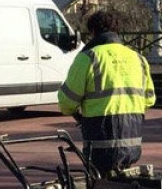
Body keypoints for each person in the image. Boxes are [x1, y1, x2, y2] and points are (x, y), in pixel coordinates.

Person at [57, 10, 156, 176]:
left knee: (99, 185)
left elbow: (66, 102)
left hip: (100, 141)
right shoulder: (138, 58)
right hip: (132, 141)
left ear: (93, 32)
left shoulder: (89, 57)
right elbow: (149, 99)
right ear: (117, 30)